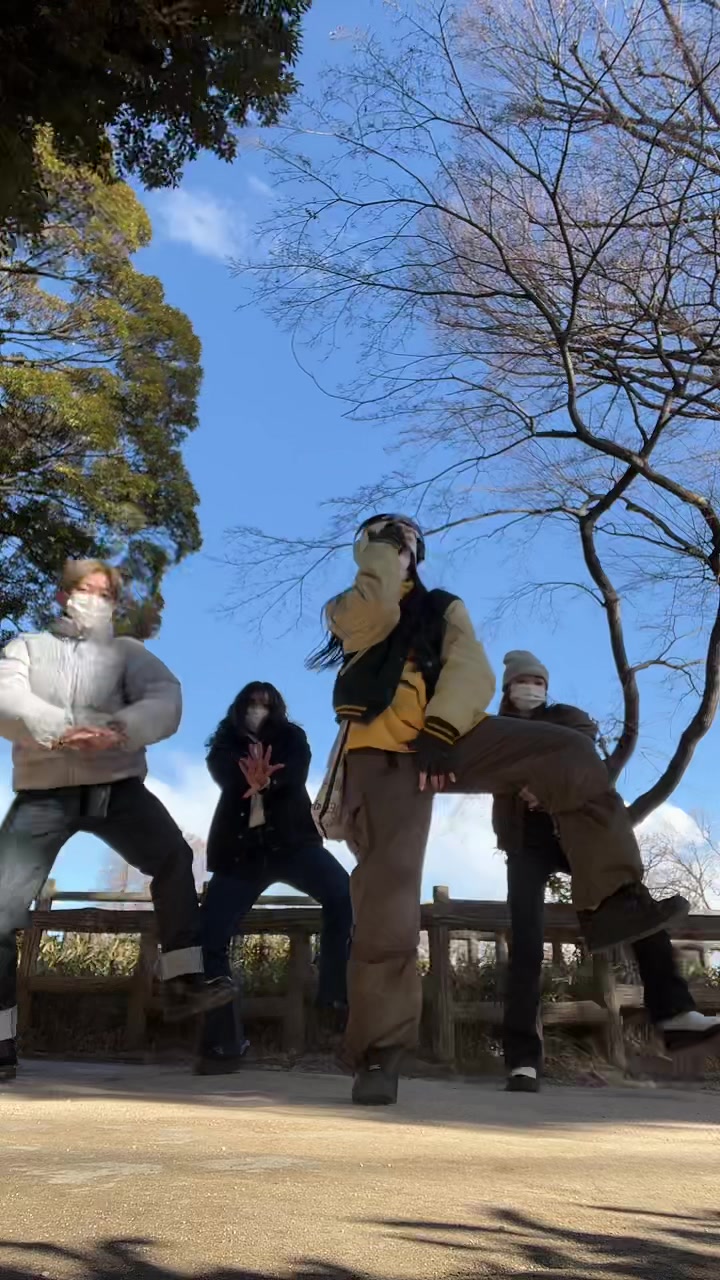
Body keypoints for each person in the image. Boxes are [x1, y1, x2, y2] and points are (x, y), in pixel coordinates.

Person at [310, 512, 695, 1107]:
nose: (402, 540)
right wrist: (385, 556)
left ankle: (614, 903)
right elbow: (377, 613)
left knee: (568, 752)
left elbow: (472, 669)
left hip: (446, 736)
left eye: (408, 536)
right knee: (388, 903)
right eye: (387, 535)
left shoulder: (444, 607)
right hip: (379, 755)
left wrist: (440, 730)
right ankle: (380, 1051)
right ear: (369, 549)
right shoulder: (348, 604)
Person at [0, 559, 234, 1084]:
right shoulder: (27, 648)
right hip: (44, 792)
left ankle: (182, 983)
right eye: (85, 590)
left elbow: (166, 699)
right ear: (63, 597)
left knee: (173, 857)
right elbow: (6, 697)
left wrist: (118, 729)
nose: (94, 601)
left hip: (116, 786)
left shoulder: (130, 654)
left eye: (104, 594)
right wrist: (60, 727)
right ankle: (0, 1041)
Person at [494, 650, 720, 1094]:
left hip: (577, 831)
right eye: (522, 681)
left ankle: (675, 1014)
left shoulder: (564, 718)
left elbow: (583, 754)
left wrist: (542, 783)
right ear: (508, 688)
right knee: (525, 940)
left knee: (634, 904)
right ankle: (522, 1059)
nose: (531, 688)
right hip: (525, 844)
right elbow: (478, 763)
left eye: (538, 681)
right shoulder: (495, 731)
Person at [197, 681, 352, 1075]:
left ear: (277, 709)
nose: (258, 710)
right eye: (251, 703)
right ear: (240, 707)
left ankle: (333, 995)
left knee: (343, 894)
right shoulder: (224, 744)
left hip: (293, 843)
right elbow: (223, 772)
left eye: (265, 704)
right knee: (209, 935)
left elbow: (296, 770)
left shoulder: (291, 737)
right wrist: (247, 780)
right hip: (241, 852)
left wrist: (269, 781)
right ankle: (225, 1041)